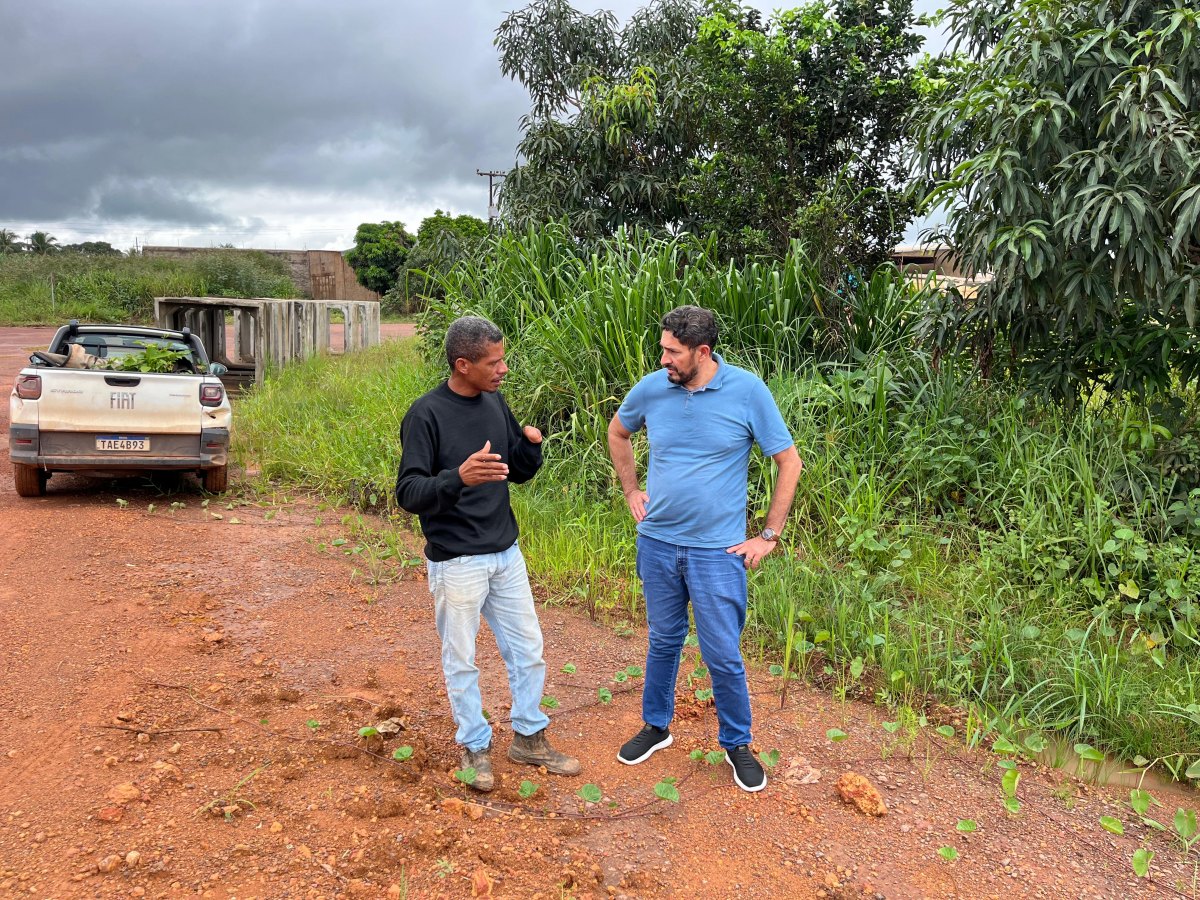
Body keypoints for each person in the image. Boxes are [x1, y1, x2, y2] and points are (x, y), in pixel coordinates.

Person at [607, 305, 802, 792]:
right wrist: (632, 490)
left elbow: (789, 462)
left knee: (722, 653)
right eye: (662, 350)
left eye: (672, 352)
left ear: (702, 351)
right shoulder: (654, 388)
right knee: (663, 640)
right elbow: (618, 431)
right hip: (657, 543)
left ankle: (737, 742)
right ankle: (656, 726)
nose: (664, 360)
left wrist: (768, 535)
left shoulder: (747, 391)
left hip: (717, 552)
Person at [395, 315, 580, 792]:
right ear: (463, 364)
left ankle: (529, 737)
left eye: (502, 359)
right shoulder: (426, 415)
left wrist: (532, 449)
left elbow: (513, 471)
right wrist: (458, 476)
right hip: (456, 560)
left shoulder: (495, 402)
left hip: (505, 552)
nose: (502, 370)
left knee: (528, 650)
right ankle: (475, 746)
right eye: (493, 362)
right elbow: (409, 492)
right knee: (463, 659)